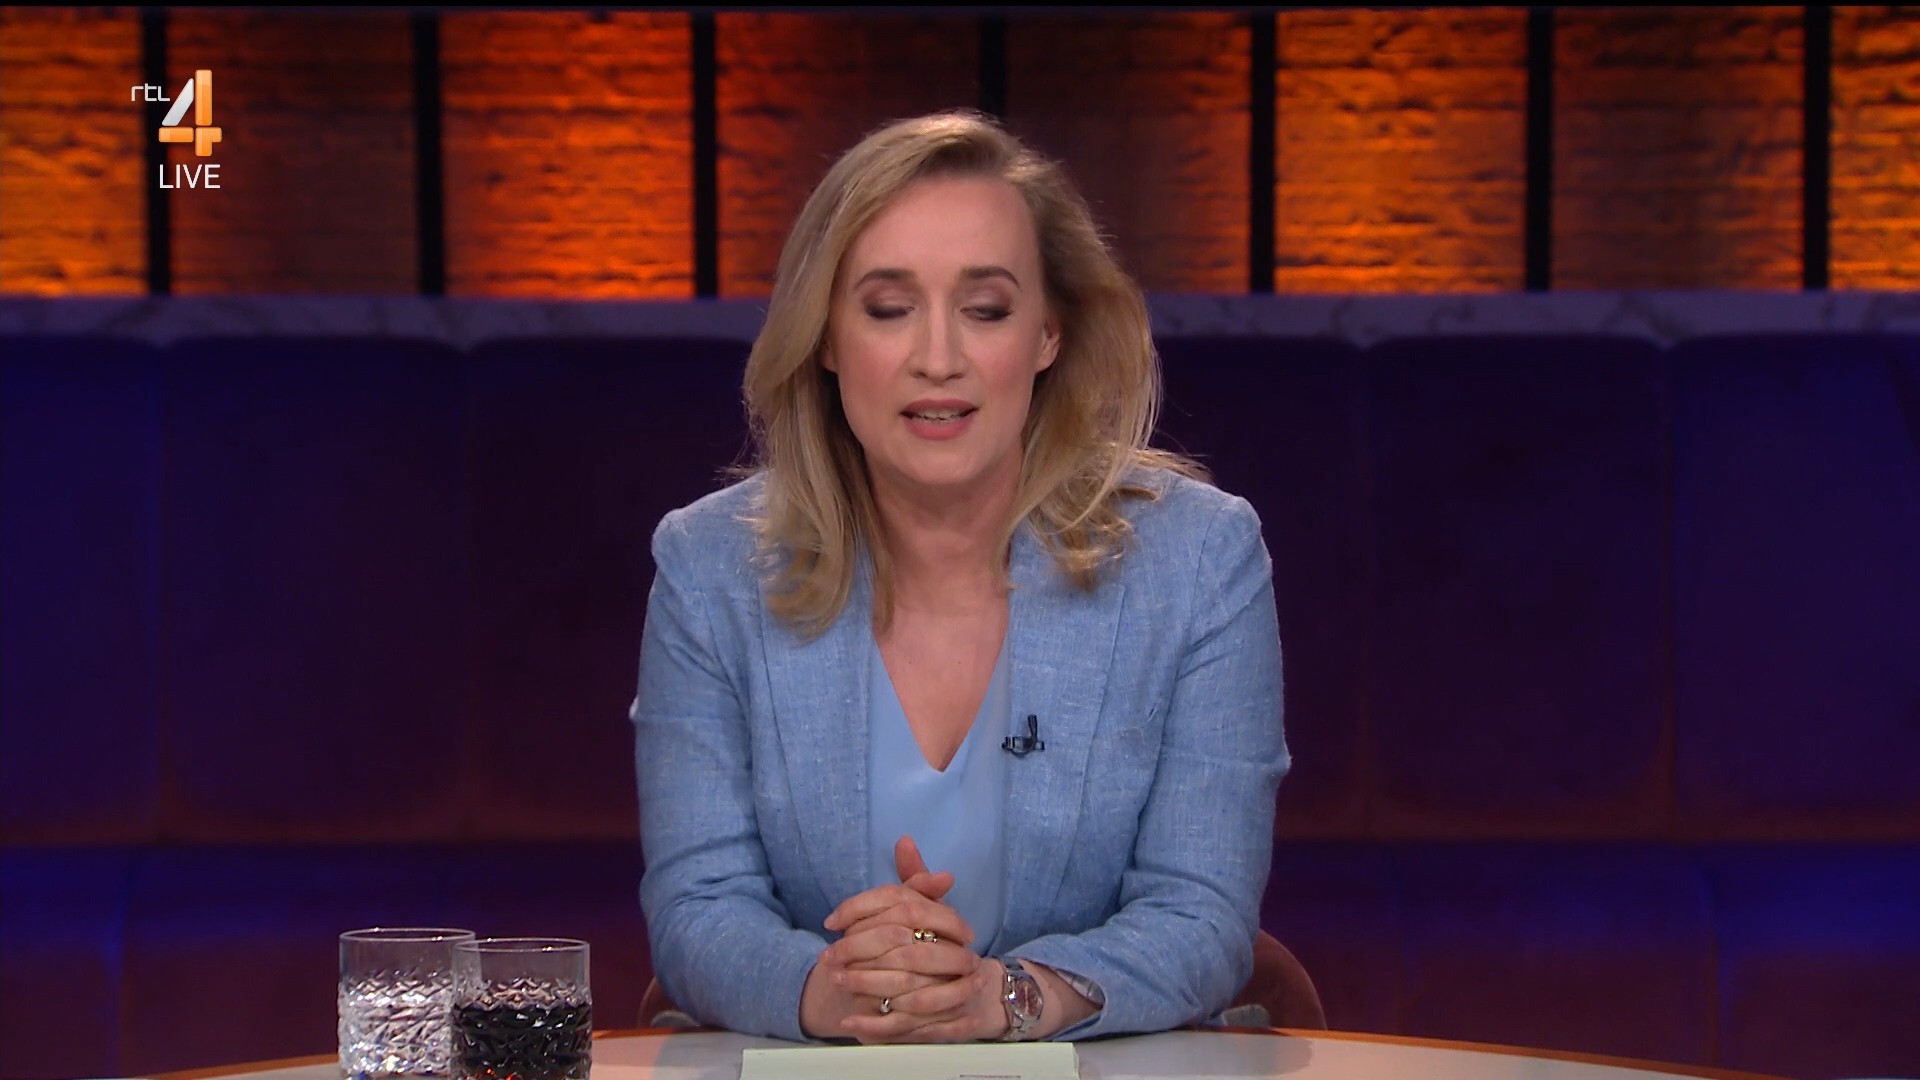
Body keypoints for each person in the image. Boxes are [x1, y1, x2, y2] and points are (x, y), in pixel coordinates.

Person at [631, 109, 1287, 1045]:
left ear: (1048, 333)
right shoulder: (709, 570)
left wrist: (1005, 997)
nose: (938, 359)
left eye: (985, 309)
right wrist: (830, 987)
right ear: (825, 337)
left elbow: (1202, 915)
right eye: (887, 309)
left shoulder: (1198, 561)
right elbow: (699, 907)